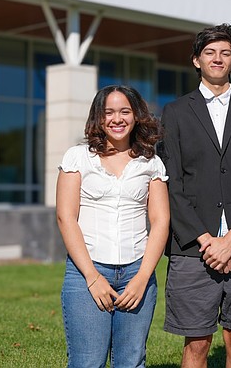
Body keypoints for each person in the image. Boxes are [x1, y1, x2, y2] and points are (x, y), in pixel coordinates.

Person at [158, 23, 231, 368]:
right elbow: (172, 182)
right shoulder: (175, 113)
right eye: (210, 52)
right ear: (196, 60)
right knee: (196, 344)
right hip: (194, 246)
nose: (218, 59)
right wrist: (208, 241)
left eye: (225, 53)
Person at [56, 85, 170, 368]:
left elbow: (160, 221)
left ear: (136, 117)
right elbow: (65, 217)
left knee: (131, 361)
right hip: (87, 271)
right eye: (109, 113)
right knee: (87, 362)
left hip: (136, 271)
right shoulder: (78, 157)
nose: (116, 119)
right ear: (99, 117)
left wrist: (143, 278)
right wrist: (93, 277)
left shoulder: (150, 162)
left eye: (124, 112)